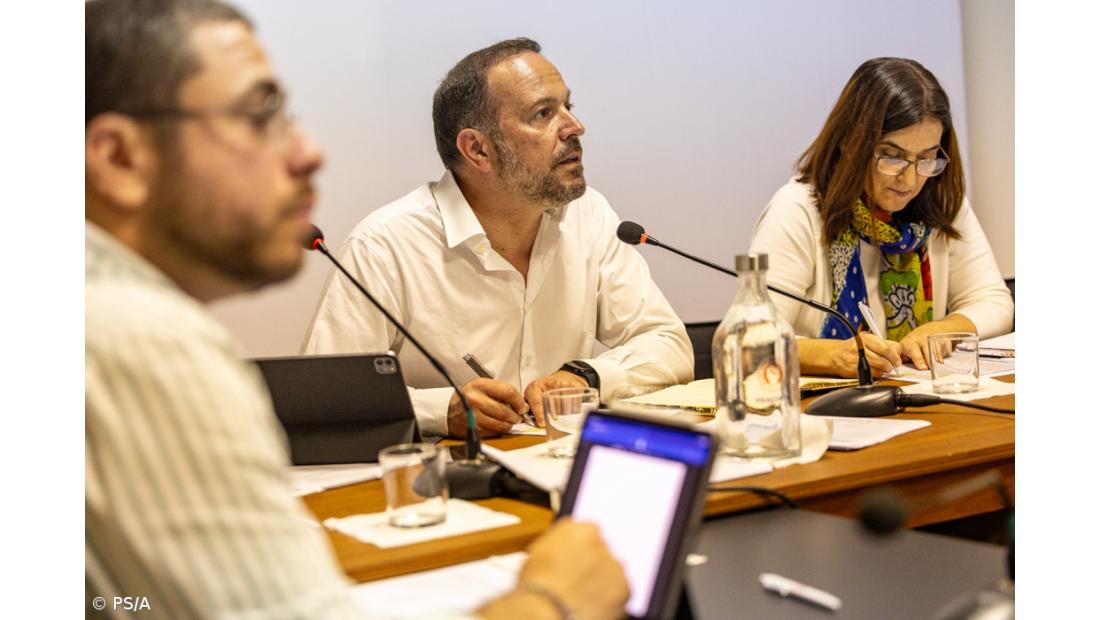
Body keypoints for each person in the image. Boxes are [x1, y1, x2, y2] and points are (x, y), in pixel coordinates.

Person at [85, 1, 628, 617]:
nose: (309, 152)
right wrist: (553, 599)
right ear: (121, 159)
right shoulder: (135, 345)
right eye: (258, 116)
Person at [302, 38, 692, 438]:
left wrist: (586, 376)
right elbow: (326, 398)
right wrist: (442, 410)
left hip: (557, 458)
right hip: (447, 470)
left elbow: (668, 343)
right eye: (543, 113)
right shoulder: (385, 246)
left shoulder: (587, 215)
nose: (575, 127)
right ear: (478, 150)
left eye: (567, 106)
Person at [748, 57, 1014, 378]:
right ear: (851, 143)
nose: (910, 180)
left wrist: (944, 329)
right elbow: (752, 340)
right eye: (892, 156)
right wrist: (831, 355)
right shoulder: (797, 209)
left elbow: (993, 301)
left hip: (914, 393)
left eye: (927, 158)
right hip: (825, 402)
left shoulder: (939, 201)